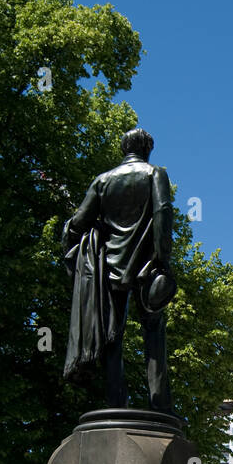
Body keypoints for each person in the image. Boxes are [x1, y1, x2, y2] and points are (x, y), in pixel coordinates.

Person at [62, 126, 176, 412]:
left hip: (109, 267)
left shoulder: (102, 181)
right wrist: (164, 259)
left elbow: (79, 222)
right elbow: (163, 213)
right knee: (154, 332)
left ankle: (116, 403)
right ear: (147, 150)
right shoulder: (155, 174)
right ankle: (159, 404)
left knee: (113, 335)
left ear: (124, 150)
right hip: (147, 267)